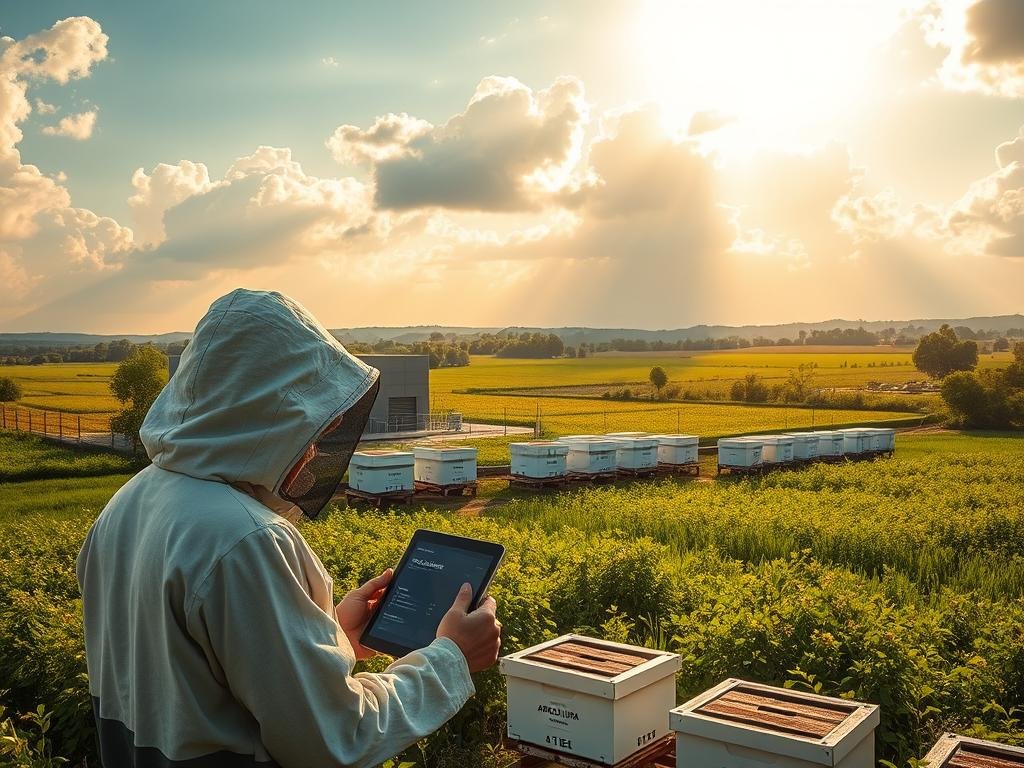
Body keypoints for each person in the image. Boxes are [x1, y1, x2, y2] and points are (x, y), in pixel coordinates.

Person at [77, 288, 501, 768]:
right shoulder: (246, 539)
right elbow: (334, 740)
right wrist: (452, 659)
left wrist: (334, 637)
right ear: (268, 412)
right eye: (309, 424)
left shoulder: (128, 504)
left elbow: (197, 684)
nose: (316, 450)